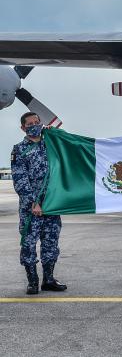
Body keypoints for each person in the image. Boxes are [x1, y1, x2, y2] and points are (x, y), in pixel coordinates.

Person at [11, 112, 67, 295]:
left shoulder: (49, 143)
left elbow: (69, 146)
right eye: (30, 123)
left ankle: (48, 280)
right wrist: (33, 203)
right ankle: (33, 282)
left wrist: (54, 133)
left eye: (37, 122)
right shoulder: (19, 150)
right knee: (28, 244)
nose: (35, 125)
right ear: (23, 128)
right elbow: (20, 180)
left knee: (50, 242)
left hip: (51, 204)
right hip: (31, 208)